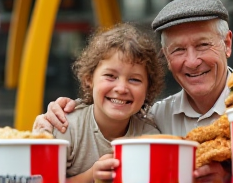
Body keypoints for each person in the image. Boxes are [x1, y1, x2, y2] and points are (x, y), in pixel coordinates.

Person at [34, 0, 233, 183]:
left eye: (203, 45)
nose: (191, 61)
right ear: (166, 57)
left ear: (227, 44)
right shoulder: (157, 117)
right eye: (178, 49)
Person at [40, 23, 165, 182]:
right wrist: (91, 176)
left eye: (134, 79)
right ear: (89, 79)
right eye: (111, 76)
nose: (121, 88)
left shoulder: (150, 137)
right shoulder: (66, 126)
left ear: (148, 88)